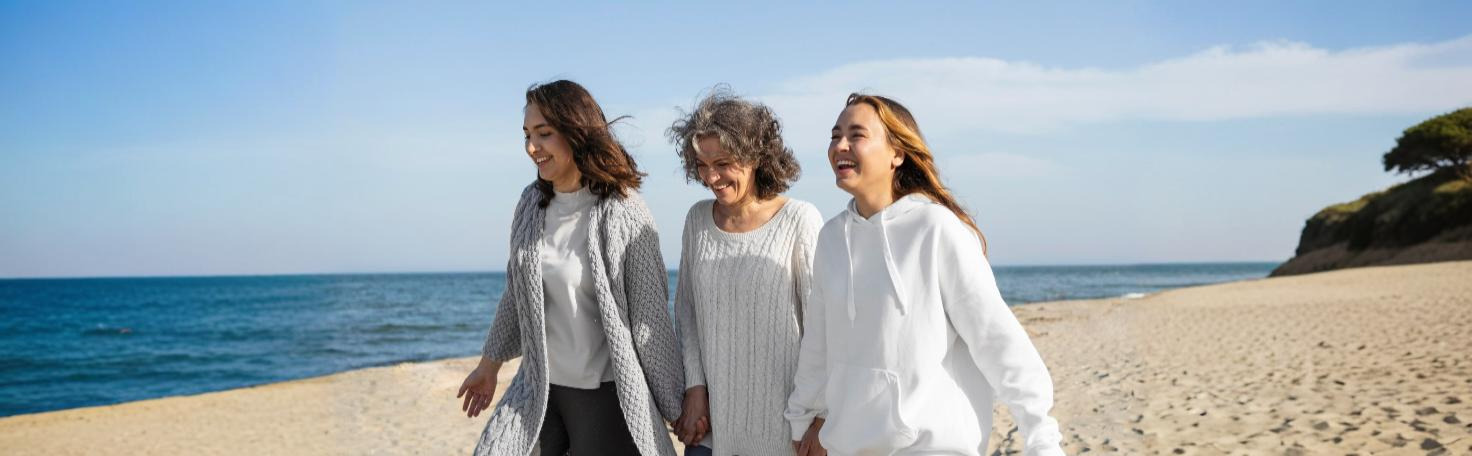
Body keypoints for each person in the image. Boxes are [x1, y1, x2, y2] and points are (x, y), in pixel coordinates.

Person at [785, 94, 1064, 456]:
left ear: (897, 153)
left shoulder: (936, 228)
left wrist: (1041, 434)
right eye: (835, 135)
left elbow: (995, 338)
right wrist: (804, 416)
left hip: (931, 446)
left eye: (857, 135)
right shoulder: (832, 238)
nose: (840, 145)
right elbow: (818, 344)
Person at [457, 80, 683, 456]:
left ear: (576, 133)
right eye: (527, 135)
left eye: (543, 134)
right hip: (539, 391)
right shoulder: (530, 204)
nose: (532, 148)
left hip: (606, 398)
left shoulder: (623, 211)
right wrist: (488, 366)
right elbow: (517, 295)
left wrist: (676, 406)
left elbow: (651, 322)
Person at [666, 88, 824, 456]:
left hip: (786, 434)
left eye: (722, 163)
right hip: (711, 434)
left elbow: (822, 328)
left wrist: (820, 418)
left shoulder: (799, 220)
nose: (711, 177)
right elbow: (687, 313)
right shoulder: (697, 221)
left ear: (755, 156)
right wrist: (694, 388)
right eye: (702, 165)